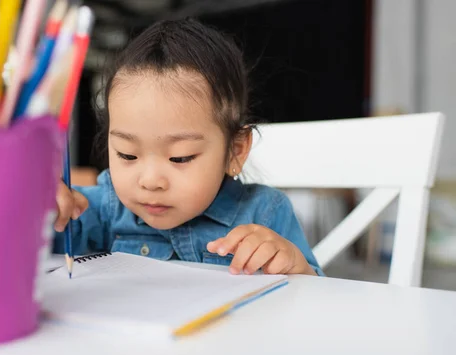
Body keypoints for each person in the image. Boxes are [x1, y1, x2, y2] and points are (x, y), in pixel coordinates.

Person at [53, 18, 323, 276]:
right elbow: (34, 248)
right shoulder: (103, 209)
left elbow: (321, 300)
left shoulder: (265, 212)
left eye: (180, 158)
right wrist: (37, 208)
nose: (150, 181)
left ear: (235, 151)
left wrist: (293, 265)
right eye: (128, 154)